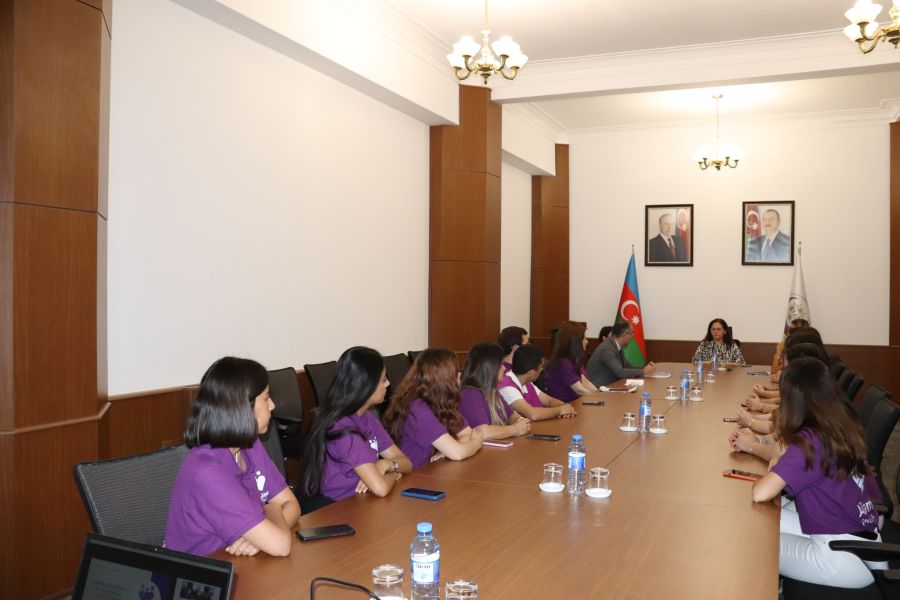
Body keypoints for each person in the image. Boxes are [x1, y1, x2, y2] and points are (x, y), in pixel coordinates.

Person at [750, 357, 883, 589]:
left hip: (840, 556)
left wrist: (774, 463)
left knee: (754, 539)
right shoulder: (839, 426)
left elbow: (760, 493)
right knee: (763, 520)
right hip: (864, 542)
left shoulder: (809, 442)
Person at [165, 357, 300, 557]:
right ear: (242, 408)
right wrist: (272, 511)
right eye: (266, 398)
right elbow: (280, 545)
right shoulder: (206, 472)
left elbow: (293, 505)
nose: (272, 405)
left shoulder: (250, 445)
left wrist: (257, 539)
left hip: (239, 562)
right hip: (201, 571)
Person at [300, 347, 413, 507]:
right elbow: (380, 488)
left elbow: (406, 463)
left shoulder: (367, 417)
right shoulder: (341, 427)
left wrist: (386, 465)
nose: (388, 384)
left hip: (362, 500)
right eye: (383, 380)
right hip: (335, 507)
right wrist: (394, 474)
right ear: (366, 386)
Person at [382, 347, 483, 469]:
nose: (460, 375)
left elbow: (468, 434)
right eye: (456, 372)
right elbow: (458, 453)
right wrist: (476, 442)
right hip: (414, 476)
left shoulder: (440, 402)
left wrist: (447, 450)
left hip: (434, 470)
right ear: (444, 379)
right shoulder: (417, 408)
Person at [459, 342, 531, 439]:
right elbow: (482, 433)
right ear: (489, 368)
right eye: (501, 364)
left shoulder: (493, 392)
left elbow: (511, 416)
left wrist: (519, 420)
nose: (504, 368)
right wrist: (515, 429)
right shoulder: (470, 395)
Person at [498, 344, 577, 421]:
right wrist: (560, 410)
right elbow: (532, 414)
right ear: (532, 372)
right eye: (541, 367)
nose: (542, 370)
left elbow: (549, 401)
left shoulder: (526, 381)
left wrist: (565, 407)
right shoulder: (507, 387)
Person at [586, 322, 657, 387]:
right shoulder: (606, 349)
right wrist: (643, 371)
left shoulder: (617, 345)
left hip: (612, 384)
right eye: (632, 333)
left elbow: (628, 366)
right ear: (624, 334)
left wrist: (645, 369)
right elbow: (620, 372)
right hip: (599, 388)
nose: (633, 336)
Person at [543, 321, 598, 402]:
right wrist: (598, 398)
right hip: (563, 405)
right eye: (584, 338)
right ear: (575, 341)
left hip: (575, 403)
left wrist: (600, 394)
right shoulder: (563, 363)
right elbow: (579, 390)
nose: (587, 341)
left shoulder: (574, 360)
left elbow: (585, 382)